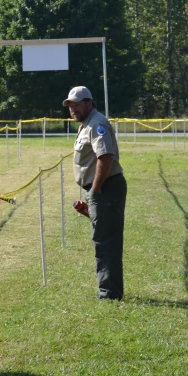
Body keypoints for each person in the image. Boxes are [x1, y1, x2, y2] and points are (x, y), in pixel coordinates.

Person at [64, 86, 127, 301]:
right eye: (70, 106)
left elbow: (105, 157)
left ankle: (109, 294)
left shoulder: (97, 123)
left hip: (106, 188)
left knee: (105, 241)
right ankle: (109, 290)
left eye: (77, 104)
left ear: (90, 103)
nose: (73, 109)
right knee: (102, 238)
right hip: (102, 188)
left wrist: (96, 189)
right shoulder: (86, 124)